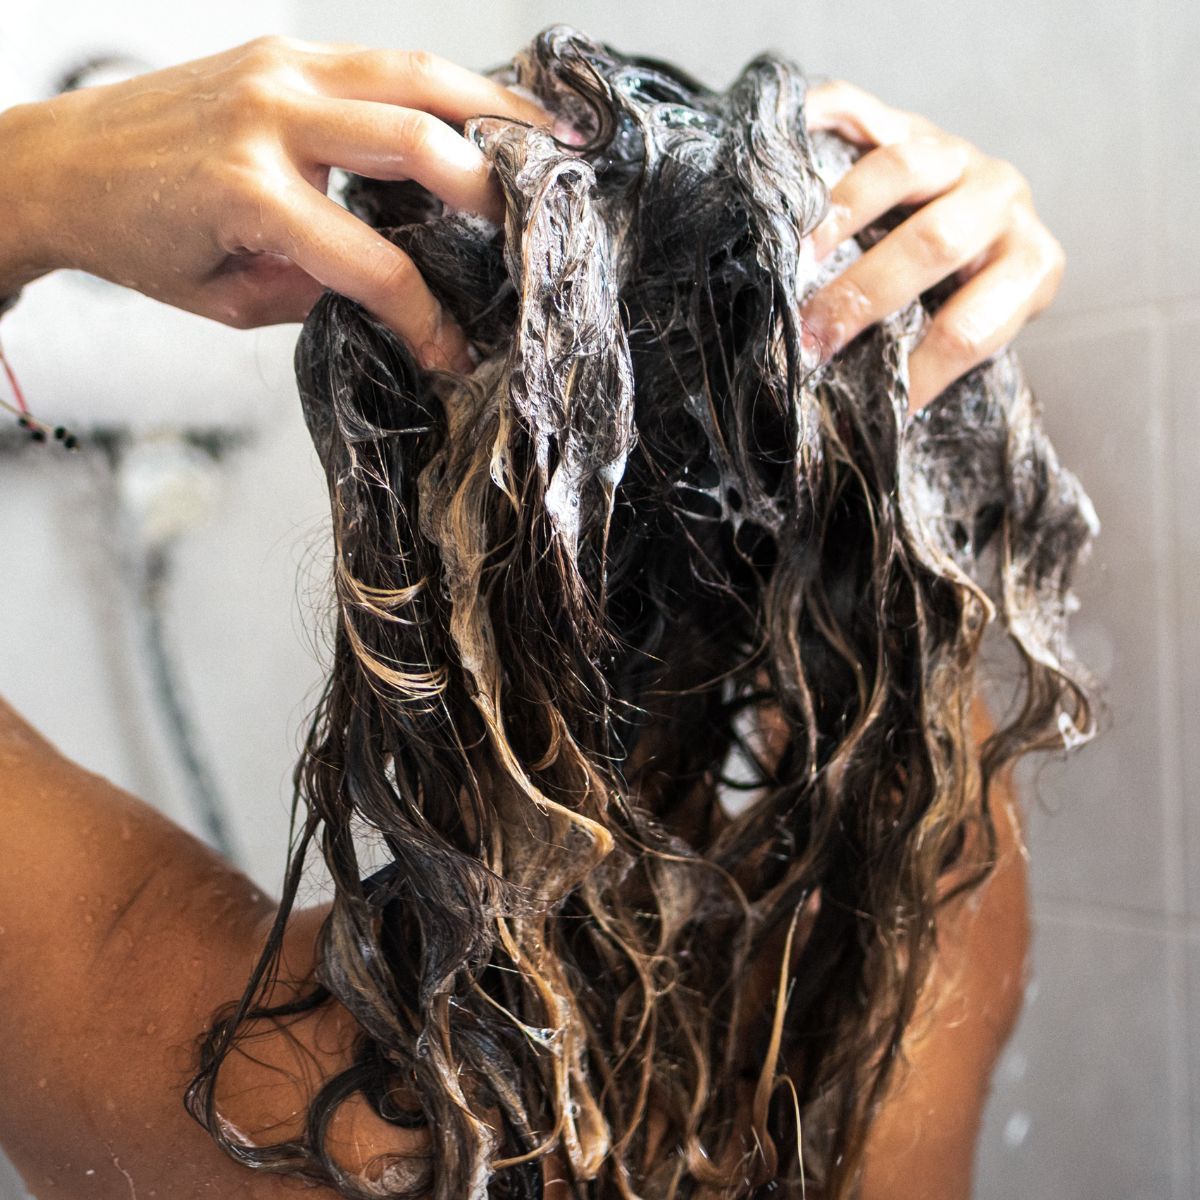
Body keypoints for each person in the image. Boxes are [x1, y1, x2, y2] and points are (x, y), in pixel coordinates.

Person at [0, 32, 1072, 1200]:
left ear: (402, 502)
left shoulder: (206, 1073)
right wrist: (910, 298)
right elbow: (882, 579)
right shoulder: (922, 980)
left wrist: (35, 173)